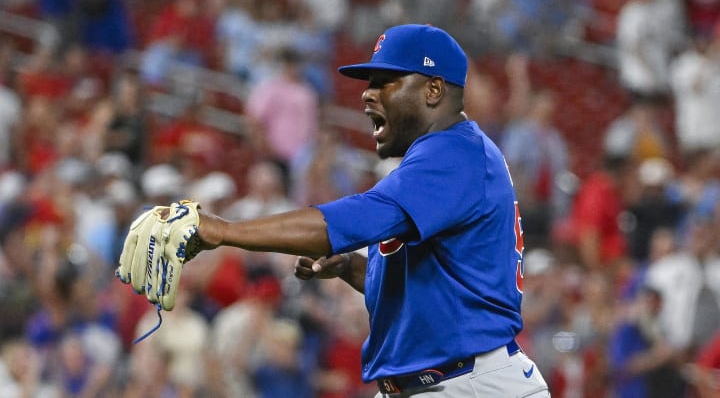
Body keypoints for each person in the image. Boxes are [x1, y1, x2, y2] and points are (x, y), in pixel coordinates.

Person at [182, 24, 549, 396]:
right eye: (370, 82)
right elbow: (435, 291)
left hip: (470, 384)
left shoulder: (455, 153)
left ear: (434, 90)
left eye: (386, 81)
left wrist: (221, 230)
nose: (368, 95)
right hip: (440, 381)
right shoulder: (437, 161)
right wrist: (352, 268)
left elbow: (350, 220)